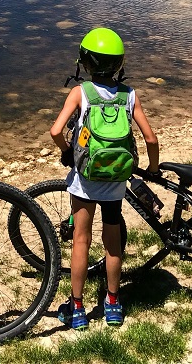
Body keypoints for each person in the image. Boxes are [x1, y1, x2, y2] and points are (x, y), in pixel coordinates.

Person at [50, 27, 159, 331]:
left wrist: (69, 153)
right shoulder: (129, 95)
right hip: (115, 182)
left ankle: (78, 309)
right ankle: (113, 304)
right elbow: (150, 138)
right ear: (120, 64)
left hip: (85, 180)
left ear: (84, 63)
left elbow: (56, 131)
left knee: (81, 241)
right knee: (113, 245)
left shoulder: (80, 93)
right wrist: (152, 168)